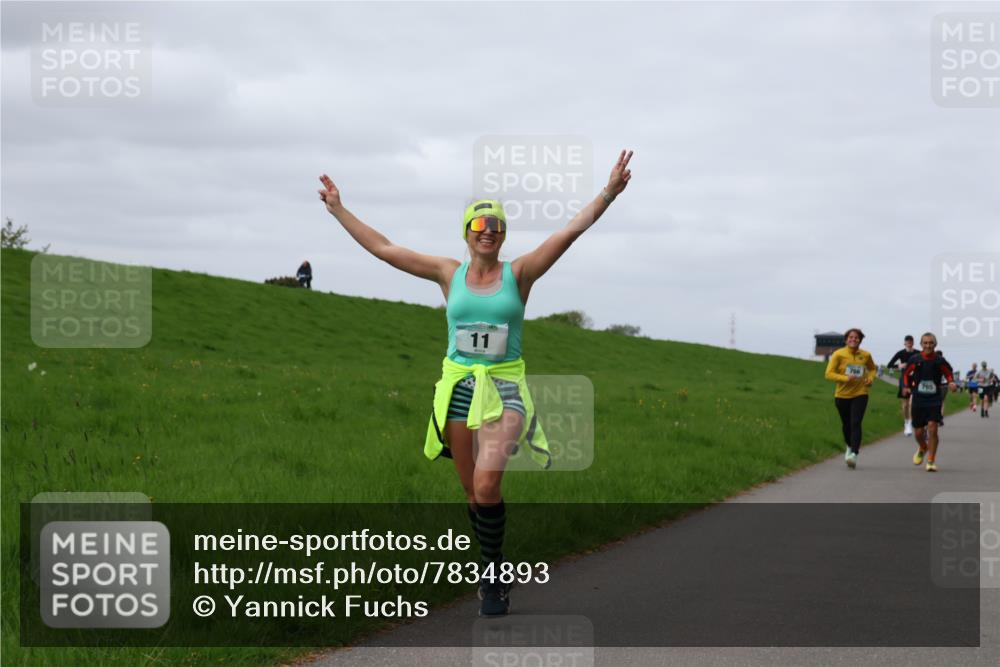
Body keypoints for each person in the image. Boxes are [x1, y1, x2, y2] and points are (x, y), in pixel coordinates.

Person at [316, 150, 634, 617]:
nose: (489, 233)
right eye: (480, 226)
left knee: (487, 487)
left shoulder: (520, 273)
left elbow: (568, 231)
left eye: (497, 227)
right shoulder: (449, 273)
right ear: (466, 233)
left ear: (503, 236)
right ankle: (493, 568)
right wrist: (340, 209)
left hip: (505, 389)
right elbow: (385, 249)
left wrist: (607, 193)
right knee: (471, 493)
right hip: (458, 389)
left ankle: (493, 581)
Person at [902, 333, 956, 472]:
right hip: (918, 398)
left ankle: (931, 460)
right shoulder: (915, 359)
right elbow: (906, 375)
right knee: (919, 432)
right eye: (925, 343)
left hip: (934, 399)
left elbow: (949, 373)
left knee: (933, 427)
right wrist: (906, 387)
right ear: (921, 344)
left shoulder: (939, 360)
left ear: (935, 344)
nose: (928, 345)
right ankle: (922, 447)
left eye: (930, 343)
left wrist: (951, 382)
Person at [824, 328, 877, 469]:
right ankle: (849, 445)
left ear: (860, 340)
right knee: (846, 424)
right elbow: (828, 374)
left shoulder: (866, 355)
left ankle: (854, 454)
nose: (853, 339)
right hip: (842, 395)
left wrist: (870, 379)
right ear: (846, 340)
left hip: (860, 393)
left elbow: (872, 369)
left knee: (856, 423)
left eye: (856, 337)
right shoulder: (838, 354)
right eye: (851, 337)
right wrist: (845, 378)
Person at [885, 335, 918, 435]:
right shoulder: (900, 353)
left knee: (913, 404)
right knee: (905, 405)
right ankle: (906, 423)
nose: (909, 343)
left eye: (910, 341)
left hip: (916, 379)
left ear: (913, 343)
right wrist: (898, 365)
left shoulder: (918, 353)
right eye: (907, 341)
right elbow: (889, 365)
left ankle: (912, 423)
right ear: (904, 343)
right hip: (904, 380)